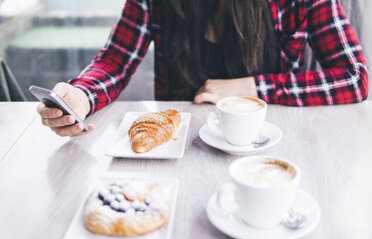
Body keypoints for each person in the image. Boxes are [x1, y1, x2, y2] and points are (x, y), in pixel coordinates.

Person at [37, 0, 369, 137]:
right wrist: (83, 95)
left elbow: (355, 78)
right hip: (178, 140)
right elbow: (115, 61)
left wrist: (252, 87)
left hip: (266, 137)